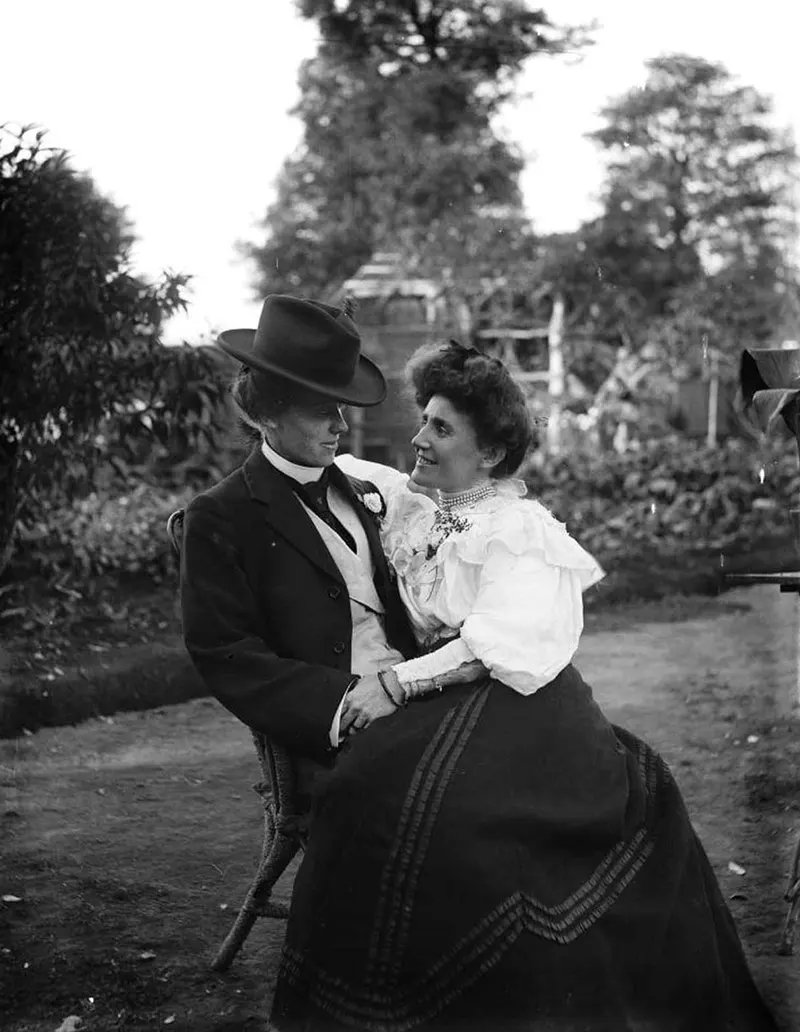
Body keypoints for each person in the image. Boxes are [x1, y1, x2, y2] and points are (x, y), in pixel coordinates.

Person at [269, 340, 778, 1031]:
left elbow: (495, 648)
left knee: (455, 820)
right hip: (447, 700)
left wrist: (392, 685)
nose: (419, 438)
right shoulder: (414, 502)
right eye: (424, 418)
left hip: (524, 706)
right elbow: (318, 463)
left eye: (442, 429)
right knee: (370, 791)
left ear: (491, 456)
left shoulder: (519, 531)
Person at [180, 293, 419, 809]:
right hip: (339, 725)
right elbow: (226, 654)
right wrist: (340, 704)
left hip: (409, 692)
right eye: (320, 410)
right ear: (267, 413)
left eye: (342, 407)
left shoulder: (361, 492)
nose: (341, 424)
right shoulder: (222, 515)